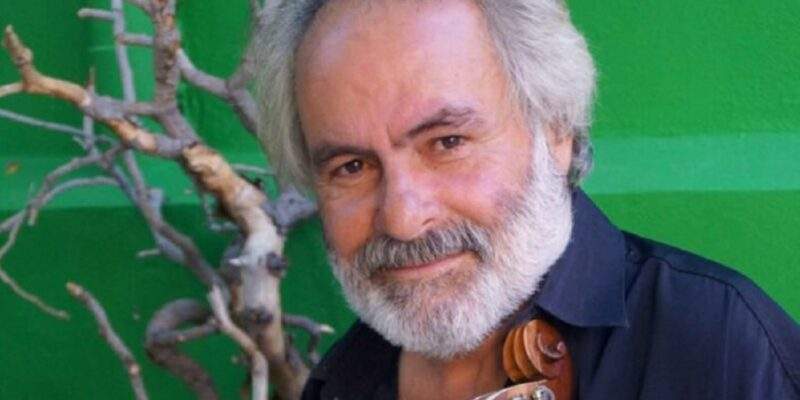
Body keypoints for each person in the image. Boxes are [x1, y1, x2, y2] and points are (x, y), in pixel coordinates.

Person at [253, 0, 800, 399]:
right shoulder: (344, 379)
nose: (401, 218)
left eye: (447, 143)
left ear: (556, 128)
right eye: (351, 167)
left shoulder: (717, 348)